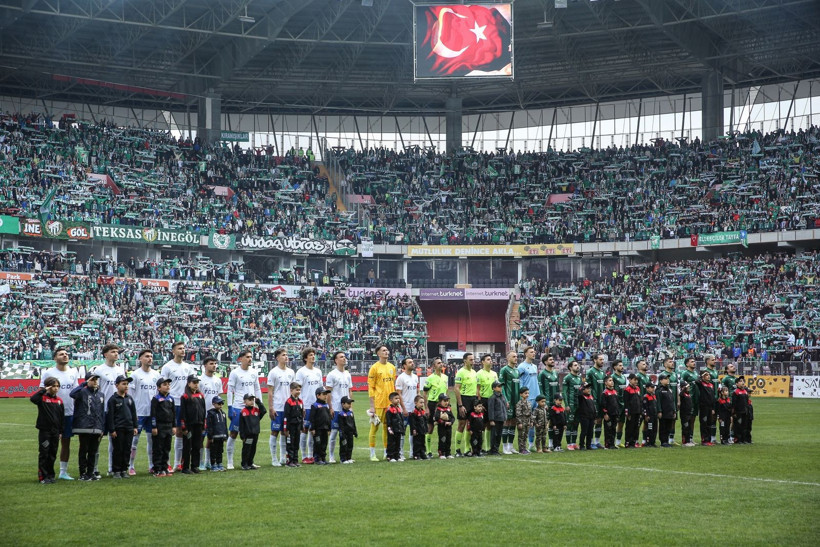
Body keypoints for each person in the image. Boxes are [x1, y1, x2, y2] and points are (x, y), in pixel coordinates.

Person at [39, 346, 79, 481]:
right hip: (52, 414)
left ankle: (63, 471)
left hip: (69, 412)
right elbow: (42, 391)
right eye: (61, 354)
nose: (65, 356)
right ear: (55, 357)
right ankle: (46, 472)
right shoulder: (48, 373)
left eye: (67, 354)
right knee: (49, 445)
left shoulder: (74, 372)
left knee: (66, 442)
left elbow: (75, 393)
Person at [160, 341, 194, 471]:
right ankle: (166, 462)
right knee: (169, 432)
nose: (183, 350)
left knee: (181, 432)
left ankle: (177, 463)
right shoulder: (167, 367)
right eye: (180, 348)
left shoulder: (188, 367)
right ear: (173, 351)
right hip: (172, 403)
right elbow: (163, 385)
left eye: (184, 348)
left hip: (185, 403)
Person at [93, 343, 125, 478]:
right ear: (105, 354)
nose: (116, 354)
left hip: (116, 410)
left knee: (115, 440)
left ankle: (113, 468)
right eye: (113, 352)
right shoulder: (99, 370)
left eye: (117, 352)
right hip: (102, 409)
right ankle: (93, 468)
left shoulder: (120, 370)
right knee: (97, 440)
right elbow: (94, 389)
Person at [227, 349, 262, 469]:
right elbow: (230, 390)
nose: (250, 359)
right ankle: (230, 461)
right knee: (234, 433)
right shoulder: (235, 373)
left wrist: (259, 403)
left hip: (251, 408)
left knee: (251, 435)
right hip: (238, 407)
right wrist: (230, 407)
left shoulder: (254, 372)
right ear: (240, 358)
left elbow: (257, 389)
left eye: (251, 357)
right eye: (247, 357)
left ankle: (249, 461)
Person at [128, 349, 159, 476]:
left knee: (151, 440)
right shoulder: (135, 375)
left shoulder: (156, 375)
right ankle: (130, 466)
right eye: (147, 356)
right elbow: (130, 395)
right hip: (138, 413)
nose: (150, 358)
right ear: (140, 359)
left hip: (151, 413)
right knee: (134, 441)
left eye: (151, 356)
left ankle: (152, 465)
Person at [70, 370, 105, 481]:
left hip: (96, 427)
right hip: (84, 426)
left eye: (96, 379)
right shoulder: (82, 392)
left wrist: (102, 427)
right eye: (92, 379)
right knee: (83, 450)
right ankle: (82, 473)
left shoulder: (101, 394)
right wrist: (84, 384)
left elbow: (101, 412)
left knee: (93, 451)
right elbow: (72, 394)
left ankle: (91, 472)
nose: (95, 381)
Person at [31, 377, 64, 484]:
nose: (56, 388)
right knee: (44, 453)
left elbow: (61, 417)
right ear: (48, 386)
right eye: (53, 386)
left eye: (57, 386)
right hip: (45, 431)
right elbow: (33, 399)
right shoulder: (42, 398)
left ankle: (50, 475)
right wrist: (43, 390)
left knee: (52, 454)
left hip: (55, 432)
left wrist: (60, 431)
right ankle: (43, 477)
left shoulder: (59, 401)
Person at [294, 347, 324, 464]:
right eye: (311, 355)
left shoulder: (318, 371)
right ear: (305, 358)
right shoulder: (301, 372)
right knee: (304, 430)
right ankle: (304, 455)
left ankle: (311, 455)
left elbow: (321, 388)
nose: (313, 357)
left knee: (314, 430)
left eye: (314, 355)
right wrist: (300, 405)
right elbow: (298, 389)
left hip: (316, 406)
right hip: (306, 405)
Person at [367, 344, 396, 462]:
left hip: (389, 404)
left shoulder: (392, 367)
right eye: (383, 350)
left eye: (387, 350)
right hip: (378, 403)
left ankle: (386, 452)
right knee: (374, 428)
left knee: (387, 428)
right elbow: (371, 387)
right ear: (378, 353)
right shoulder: (374, 368)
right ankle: (372, 454)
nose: (386, 352)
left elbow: (392, 385)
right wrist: (372, 405)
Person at [267, 348, 295, 467]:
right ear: (277, 357)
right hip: (278, 407)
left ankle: (283, 458)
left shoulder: (291, 372)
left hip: (289, 407)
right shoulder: (273, 372)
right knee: (275, 432)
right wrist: (271, 407)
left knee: (285, 432)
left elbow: (294, 390)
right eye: (283, 355)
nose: (286, 357)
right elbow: (270, 392)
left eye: (287, 355)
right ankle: (274, 459)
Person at [106, 375, 138, 479]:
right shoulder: (113, 399)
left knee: (127, 449)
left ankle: (124, 469)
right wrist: (112, 429)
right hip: (118, 429)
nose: (126, 386)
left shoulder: (129, 398)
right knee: (118, 449)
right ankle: (116, 470)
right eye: (123, 384)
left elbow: (133, 413)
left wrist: (135, 426)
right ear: (116, 385)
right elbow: (110, 416)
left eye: (127, 384)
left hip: (129, 428)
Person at [325, 351, 351, 464]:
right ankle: (331, 456)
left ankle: (344, 456)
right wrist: (330, 407)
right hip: (336, 408)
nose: (344, 359)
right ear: (336, 360)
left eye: (344, 357)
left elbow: (350, 391)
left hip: (346, 408)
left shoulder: (348, 374)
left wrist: (351, 407)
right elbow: (328, 392)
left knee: (345, 434)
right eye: (341, 357)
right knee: (334, 432)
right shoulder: (332, 374)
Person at [199, 356, 223, 470]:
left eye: (215, 363)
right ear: (205, 366)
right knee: (200, 438)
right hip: (203, 413)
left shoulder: (217, 380)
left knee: (211, 438)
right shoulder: (200, 380)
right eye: (211, 363)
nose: (214, 365)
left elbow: (219, 397)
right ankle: (201, 461)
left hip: (213, 414)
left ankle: (209, 461)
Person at [179, 375, 206, 474]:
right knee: (187, 446)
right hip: (189, 425)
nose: (196, 385)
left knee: (197, 446)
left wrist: (204, 424)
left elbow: (204, 410)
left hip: (199, 424)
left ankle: (195, 466)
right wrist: (184, 426)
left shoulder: (200, 396)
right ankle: (185, 467)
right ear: (189, 383)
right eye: (194, 383)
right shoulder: (185, 396)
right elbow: (183, 413)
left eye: (197, 383)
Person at [454, 353, 479, 457]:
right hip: (464, 399)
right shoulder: (460, 372)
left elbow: (477, 388)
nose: (473, 361)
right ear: (465, 361)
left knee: (470, 426)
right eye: (470, 359)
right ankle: (457, 450)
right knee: (461, 424)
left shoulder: (474, 372)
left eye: (473, 359)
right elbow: (456, 388)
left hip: (473, 399)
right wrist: (460, 405)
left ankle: (467, 449)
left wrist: (478, 402)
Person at [422, 357, 448, 458]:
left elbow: (446, 391)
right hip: (433, 404)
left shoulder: (445, 377)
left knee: (443, 428)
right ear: (434, 366)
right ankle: (428, 451)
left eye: (441, 363)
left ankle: (442, 451)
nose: (441, 364)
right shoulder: (430, 378)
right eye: (438, 363)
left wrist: (447, 403)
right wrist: (427, 407)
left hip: (443, 405)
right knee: (430, 427)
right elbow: (424, 393)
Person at [150, 377, 175, 477]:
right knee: (158, 448)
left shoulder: (171, 399)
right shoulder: (156, 399)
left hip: (169, 426)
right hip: (160, 426)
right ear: (159, 388)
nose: (167, 386)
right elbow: (153, 414)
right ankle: (157, 469)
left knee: (166, 448)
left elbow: (174, 413)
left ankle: (165, 468)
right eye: (164, 385)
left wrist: (174, 426)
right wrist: (154, 426)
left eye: (168, 384)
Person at [394, 357, 419, 461]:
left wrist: (419, 406)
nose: (412, 363)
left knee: (414, 432)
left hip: (414, 409)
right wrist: (403, 408)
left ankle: (413, 453)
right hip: (405, 409)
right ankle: (400, 453)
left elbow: (418, 393)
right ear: (404, 365)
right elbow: (399, 395)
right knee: (402, 432)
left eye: (412, 362)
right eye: (410, 362)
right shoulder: (401, 378)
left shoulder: (415, 377)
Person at [498, 350, 520, 454]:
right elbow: (501, 386)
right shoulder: (504, 370)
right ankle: (504, 446)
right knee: (506, 422)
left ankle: (511, 446)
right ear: (508, 358)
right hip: (508, 401)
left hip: (516, 401)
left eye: (516, 356)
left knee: (514, 422)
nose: (516, 358)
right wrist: (505, 400)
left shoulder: (517, 371)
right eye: (513, 356)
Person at [518, 347, 540, 450]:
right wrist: (522, 395)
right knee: (526, 422)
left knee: (535, 422)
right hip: (528, 398)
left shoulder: (535, 366)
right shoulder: (521, 367)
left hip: (536, 397)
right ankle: (524, 444)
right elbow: (520, 382)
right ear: (526, 354)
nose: (533, 353)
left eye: (534, 352)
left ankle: (531, 444)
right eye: (531, 352)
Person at [476, 354, 498, 453]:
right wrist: (480, 402)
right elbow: (478, 389)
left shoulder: (494, 374)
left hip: (493, 400)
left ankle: (488, 447)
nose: (491, 361)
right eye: (488, 359)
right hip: (484, 400)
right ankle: (481, 446)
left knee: (490, 423)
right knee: (482, 424)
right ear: (483, 362)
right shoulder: (479, 373)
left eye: (491, 359)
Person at [239, 394, 267, 470]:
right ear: (245, 401)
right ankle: (244, 464)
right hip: (248, 434)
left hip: (255, 433)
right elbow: (241, 425)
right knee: (246, 449)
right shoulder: (243, 412)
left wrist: (259, 402)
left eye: (252, 400)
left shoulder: (256, 410)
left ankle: (250, 463)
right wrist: (242, 435)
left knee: (253, 449)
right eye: (249, 400)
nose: (251, 402)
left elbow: (264, 411)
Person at [538, 354, 559, 450]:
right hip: (547, 403)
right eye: (550, 359)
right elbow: (540, 388)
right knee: (546, 423)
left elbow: (558, 388)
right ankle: (544, 444)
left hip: (555, 403)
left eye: (553, 359)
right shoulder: (542, 374)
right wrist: (544, 402)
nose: (552, 361)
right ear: (545, 362)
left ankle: (552, 443)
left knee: (554, 423)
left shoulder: (555, 373)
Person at [585, 352, 606, 449]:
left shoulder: (602, 372)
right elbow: (587, 387)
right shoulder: (590, 372)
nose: (602, 361)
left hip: (602, 400)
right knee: (593, 421)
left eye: (603, 360)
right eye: (600, 359)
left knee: (600, 420)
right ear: (595, 360)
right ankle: (591, 441)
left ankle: (597, 441)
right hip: (593, 400)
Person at [562, 359, 583, 450]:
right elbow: (564, 392)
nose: (577, 366)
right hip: (571, 404)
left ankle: (574, 443)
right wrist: (566, 404)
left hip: (579, 405)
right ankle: (568, 443)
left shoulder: (579, 378)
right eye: (575, 365)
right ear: (570, 367)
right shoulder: (567, 378)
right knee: (569, 424)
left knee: (576, 424)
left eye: (577, 365)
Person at [283, 382, 304, 467]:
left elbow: (301, 415)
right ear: (291, 390)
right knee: (290, 444)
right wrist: (286, 429)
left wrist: (302, 426)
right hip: (290, 426)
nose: (298, 391)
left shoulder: (300, 401)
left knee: (296, 443)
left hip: (298, 425)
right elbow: (286, 417)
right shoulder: (288, 402)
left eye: (299, 390)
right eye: (297, 390)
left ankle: (295, 460)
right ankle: (289, 461)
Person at [310, 387, 332, 465]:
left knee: (324, 443)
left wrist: (329, 428)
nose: (325, 396)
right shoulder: (314, 405)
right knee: (317, 444)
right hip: (318, 429)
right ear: (318, 396)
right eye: (324, 394)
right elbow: (312, 418)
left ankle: (323, 458)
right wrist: (312, 428)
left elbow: (328, 417)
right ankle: (317, 458)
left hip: (325, 428)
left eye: (326, 394)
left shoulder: (326, 405)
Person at [680, 357, 699, 447]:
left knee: (693, 419)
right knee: (687, 419)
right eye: (692, 362)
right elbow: (681, 384)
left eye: (694, 361)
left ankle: (690, 438)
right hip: (688, 399)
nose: (694, 363)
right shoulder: (685, 373)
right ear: (687, 364)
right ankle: (685, 439)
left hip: (695, 399)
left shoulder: (695, 373)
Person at [695, 370, 717, 446]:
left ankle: (709, 440)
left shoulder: (711, 385)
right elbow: (696, 381)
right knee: (703, 423)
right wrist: (701, 376)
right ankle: (704, 440)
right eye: (706, 375)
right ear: (703, 377)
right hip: (703, 406)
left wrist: (713, 408)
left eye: (709, 375)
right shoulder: (701, 384)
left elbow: (713, 397)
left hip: (710, 407)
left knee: (709, 423)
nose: (709, 376)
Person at [661, 358, 679, 445]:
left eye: (672, 362)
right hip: (666, 402)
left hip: (674, 401)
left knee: (673, 419)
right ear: (665, 364)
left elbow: (677, 388)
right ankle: (665, 439)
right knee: (666, 420)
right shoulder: (663, 375)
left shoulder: (675, 374)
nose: (672, 363)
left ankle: (671, 438)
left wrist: (678, 400)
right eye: (670, 362)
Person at [207, 396, 228, 471]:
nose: (221, 405)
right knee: (214, 451)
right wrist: (210, 437)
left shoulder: (223, 413)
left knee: (220, 450)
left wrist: (226, 435)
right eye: (219, 403)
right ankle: (213, 464)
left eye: (222, 403)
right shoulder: (211, 414)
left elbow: (225, 425)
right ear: (214, 404)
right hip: (214, 436)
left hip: (222, 436)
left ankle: (220, 463)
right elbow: (209, 426)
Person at [487, 381, 507, 455]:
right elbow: (491, 409)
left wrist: (505, 418)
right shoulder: (492, 398)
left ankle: (496, 449)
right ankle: (493, 449)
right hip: (496, 419)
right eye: (499, 386)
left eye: (501, 386)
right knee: (494, 435)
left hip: (501, 418)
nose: (500, 388)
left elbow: (504, 408)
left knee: (499, 435)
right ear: (494, 388)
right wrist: (491, 419)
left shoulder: (502, 396)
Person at [610, 360, 627, 448]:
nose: (622, 367)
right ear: (615, 367)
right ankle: (610, 441)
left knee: (621, 423)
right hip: (615, 403)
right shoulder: (612, 377)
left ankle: (618, 442)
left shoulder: (624, 377)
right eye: (620, 365)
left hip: (623, 403)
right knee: (614, 423)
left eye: (622, 365)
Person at [703, 354, 720, 443]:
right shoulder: (706, 372)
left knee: (715, 417)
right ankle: (707, 438)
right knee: (709, 418)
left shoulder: (715, 372)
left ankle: (713, 437)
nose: (715, 361)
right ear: (707, 361)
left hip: (716, 398)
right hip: (709, 399)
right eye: (713, 360)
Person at [657, 374, 677, 448]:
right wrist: (659, 411)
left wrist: (674, 410)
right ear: (661, 380)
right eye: (665, 379)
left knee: (669, 427)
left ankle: (667, 441)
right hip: (663, 412)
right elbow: (658, 401)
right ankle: (663, 441)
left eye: (668, 378)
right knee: (663, 427)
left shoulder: (670, 389)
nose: (667, 380)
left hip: (670, 411)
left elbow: (672, 400)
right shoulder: (659, 390)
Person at [623, 374, 642, 448]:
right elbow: (626, 402)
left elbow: (640, 401)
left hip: (637, 411)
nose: (636, 381)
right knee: (629, 427)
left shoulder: (637, 389)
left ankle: (634, 441)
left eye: (637, 380)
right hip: (631, 412)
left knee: (636, 427)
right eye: (634, 380)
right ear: (629, 380)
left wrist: (640, 411)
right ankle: (628, 442)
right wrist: (627, 413)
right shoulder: (627, 389)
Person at [635, 358, 651, 446]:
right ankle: (636, 440)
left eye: (646, 364)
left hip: (648, 403)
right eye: (643, 364)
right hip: (640, 403)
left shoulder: (648, 377)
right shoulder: (637, 377)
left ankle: (644, 441)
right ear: (638, 366)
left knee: (646, 421)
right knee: (638, 422)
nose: (646, 365)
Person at [337, 395, 358, 464]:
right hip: (344, 433)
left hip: (350, 433)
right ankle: (343, 459)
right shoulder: (341, 414)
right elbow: (341, 425)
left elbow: (353, 423)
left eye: (350, 403)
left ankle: (349, 457)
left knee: (350, 445)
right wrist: (342, 433)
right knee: (344, 446)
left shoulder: (350, 413)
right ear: (343, 404)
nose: (350, 405)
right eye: (348, 403)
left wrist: (355, 431)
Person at [601, 376, 620, 449]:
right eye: (609, 380)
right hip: (608, 415)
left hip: (615, 414)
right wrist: (605, 414)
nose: (612, 382)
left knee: (613, 429)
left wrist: (617, 413)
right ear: (605, 383)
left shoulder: (615, 392)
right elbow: (603, 404)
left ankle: (612, 444)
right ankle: (607, 444)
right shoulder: (605, 392)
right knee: (608, 429)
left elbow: (617, 403)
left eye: (612, 380)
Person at [384, 392, 404, 462]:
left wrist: (402, 428)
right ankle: (390, 456)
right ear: (391, 400)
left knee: (398, 443)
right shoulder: (389, 410)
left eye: (398, 398)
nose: (398, 400)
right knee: (391, 443)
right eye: (396, 398)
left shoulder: (399, 409)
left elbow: (401, 419)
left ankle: (397, 456)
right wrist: (390, 429)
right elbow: (388, 421)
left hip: (398, 429)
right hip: (392, 430)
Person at [731, 376, 751, 444]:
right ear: (736, 384)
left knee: (744, 426)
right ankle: (737, 439)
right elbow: (734, 403)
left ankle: (743, 439)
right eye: (740, 381)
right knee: (738, 426)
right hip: (738, 412)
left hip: (745, 412)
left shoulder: (745, 391)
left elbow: (747, 402)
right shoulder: (735, 392)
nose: (742, 382)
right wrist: (734, 413)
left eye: (743, 381)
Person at [434, 394, 455, 459]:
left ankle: (448, 453)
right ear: (440, 401)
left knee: (448, 440)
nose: (446, 402)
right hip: (442, 428)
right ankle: (441, 453)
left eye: (447, 401)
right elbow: (436, 418)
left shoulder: (448, 409)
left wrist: (450, 422)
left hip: (449, 428)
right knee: (442, 439)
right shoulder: (438, 409)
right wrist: (443, 422)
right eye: (445, 401)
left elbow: (453, 418)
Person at [409, 395, 428, 460]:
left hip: (422, 430)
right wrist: (414, 430)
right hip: (417, 431)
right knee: (417, 443)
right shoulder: (414, 412)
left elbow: (425, 421)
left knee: (422, 443)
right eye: (421, 402)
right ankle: (416, 455)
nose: (422, 404)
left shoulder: (422, 411)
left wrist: (426, 429)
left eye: (423, 402)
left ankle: (422, 453)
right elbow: (412, 422)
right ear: (415, 402)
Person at [515, 387, 532, 455]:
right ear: (521, 394)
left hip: (527, 421)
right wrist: (519, 423)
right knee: (521, 436)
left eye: (528, 393)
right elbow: (518, 413)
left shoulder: (529, 402)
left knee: (525, 435)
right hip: (522, 421)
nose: (527, 395)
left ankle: (525, 448)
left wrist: (531, 421)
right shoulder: (519, 403)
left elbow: (530, 413)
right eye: (525, 393)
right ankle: (521, 449)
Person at [642, 383, 658, 447]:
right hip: (649, 416)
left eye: (653, 387)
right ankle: (648, 442)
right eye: (651, 387)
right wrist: (646, 415)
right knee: (649, 429)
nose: (653, 388)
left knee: (655, 429)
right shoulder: (646, 396)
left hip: (654, 415)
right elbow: (644, 407)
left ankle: (653, 442)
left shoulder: (653, 395)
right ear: (647, 388)